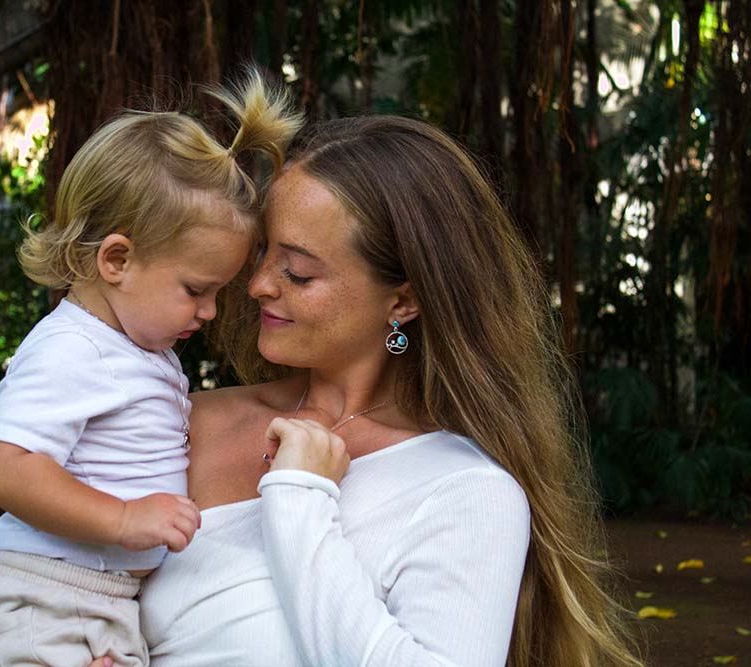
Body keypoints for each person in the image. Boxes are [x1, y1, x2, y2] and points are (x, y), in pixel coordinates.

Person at [132, 115, 643, 666]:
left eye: (298, 273)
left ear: (403, 300)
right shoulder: (182, 419)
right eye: (262, 254)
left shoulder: (465, 492)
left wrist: (301, 500)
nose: (257, 285)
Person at [0, 72, 304, 667]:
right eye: (197, 289)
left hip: (107, 606)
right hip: (47, 602)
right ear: (117, 259)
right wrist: (121, 519)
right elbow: (6, 468)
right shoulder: (72, 348)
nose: (211, 311)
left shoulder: (139, 351)